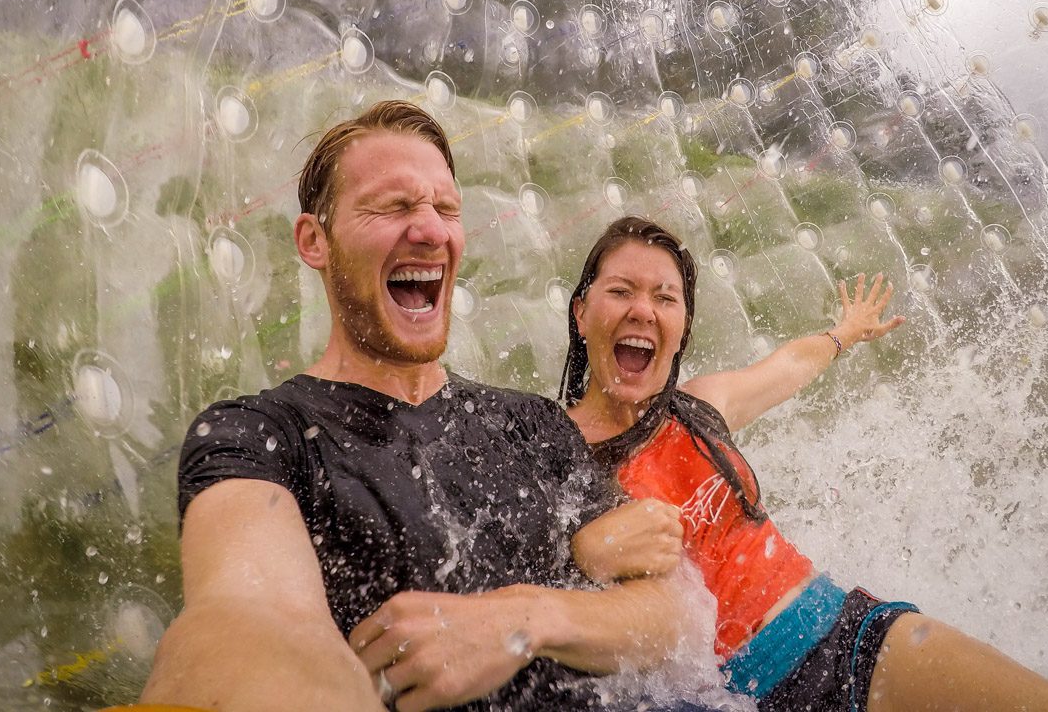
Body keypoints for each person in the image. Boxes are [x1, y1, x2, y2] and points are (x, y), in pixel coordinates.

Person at [140, 104, 710, 712]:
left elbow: (676, 616)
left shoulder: (530, 424)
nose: (431, 230)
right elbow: (244, 615)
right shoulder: (260, 437)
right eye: (393, 206)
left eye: (446, 209)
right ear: (314, 240)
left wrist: (520, 621)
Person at [560, 215, 1048, 712]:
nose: (643, 310)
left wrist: (846, 333)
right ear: (582, 313)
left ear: (681, 328)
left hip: (842, 633)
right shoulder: (553, 455)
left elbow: (786, 365)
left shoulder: (700, 407)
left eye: (665, 297)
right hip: (726, 697)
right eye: (621, 291)